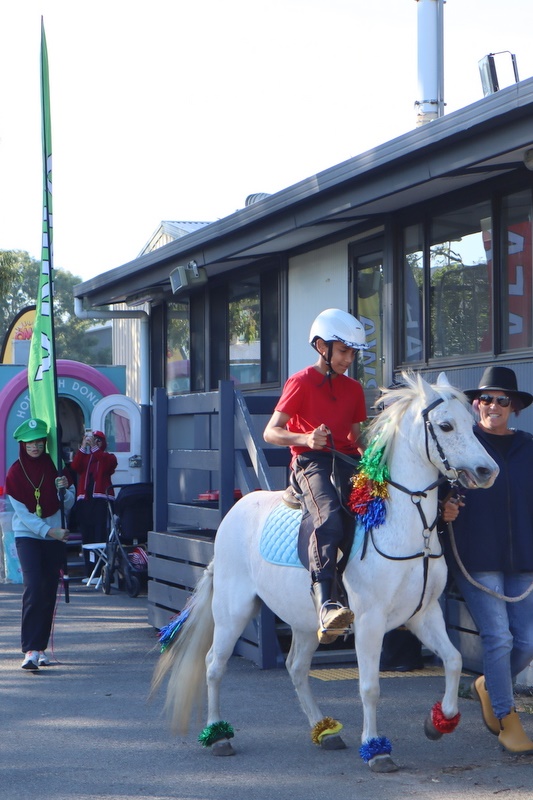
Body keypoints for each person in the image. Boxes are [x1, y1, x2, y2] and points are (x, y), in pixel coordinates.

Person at [441, 365, 533, 754]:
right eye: (485, 398)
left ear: (513, 407)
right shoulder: (462, 443)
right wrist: (443, 507)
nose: (492, 405)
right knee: (498, 638)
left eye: (502, 400)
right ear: (475, 404)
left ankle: (487, 686)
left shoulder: (530, 446)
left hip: (524, 557)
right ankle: (508, 719)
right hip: (476, 556)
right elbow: (431, 491)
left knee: (526, 642)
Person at [264, 308, 367, 645]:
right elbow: (271, 433)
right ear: (322, 346)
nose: (349, 359)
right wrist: (305, 439)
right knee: (330, 518)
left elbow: (357, 438)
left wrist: (377, 462)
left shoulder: (354, 389)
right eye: (343, 351)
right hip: (311, 463)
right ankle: (326, 604)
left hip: (347, 463)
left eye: (353, 352)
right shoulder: (301, 381)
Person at [5, 418, 74, 670]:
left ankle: (41, 648)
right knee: (33, 587)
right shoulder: (14, 472)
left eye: (38, 442)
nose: (34, 447)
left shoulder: (58, 466)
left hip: (54, 536)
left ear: (46, 443)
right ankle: (30, 650)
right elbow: (23, 515)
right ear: (22, 445)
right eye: (29, 443)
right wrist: (49, 531)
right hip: (29, 536)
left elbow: (69, 504)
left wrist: (64, 491)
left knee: (47, 590)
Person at [71, 429, 117, 582]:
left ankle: (102, 572)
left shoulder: (109, 457)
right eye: (93, 439)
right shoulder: (86, 457)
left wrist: (95, 448)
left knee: (100, 535)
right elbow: (76, 467)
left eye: (98, 440)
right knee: (88, 537)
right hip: (85, 501)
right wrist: (83, 447)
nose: (94, 442)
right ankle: (90, 572)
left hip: (101, 501)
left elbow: (106, 464)